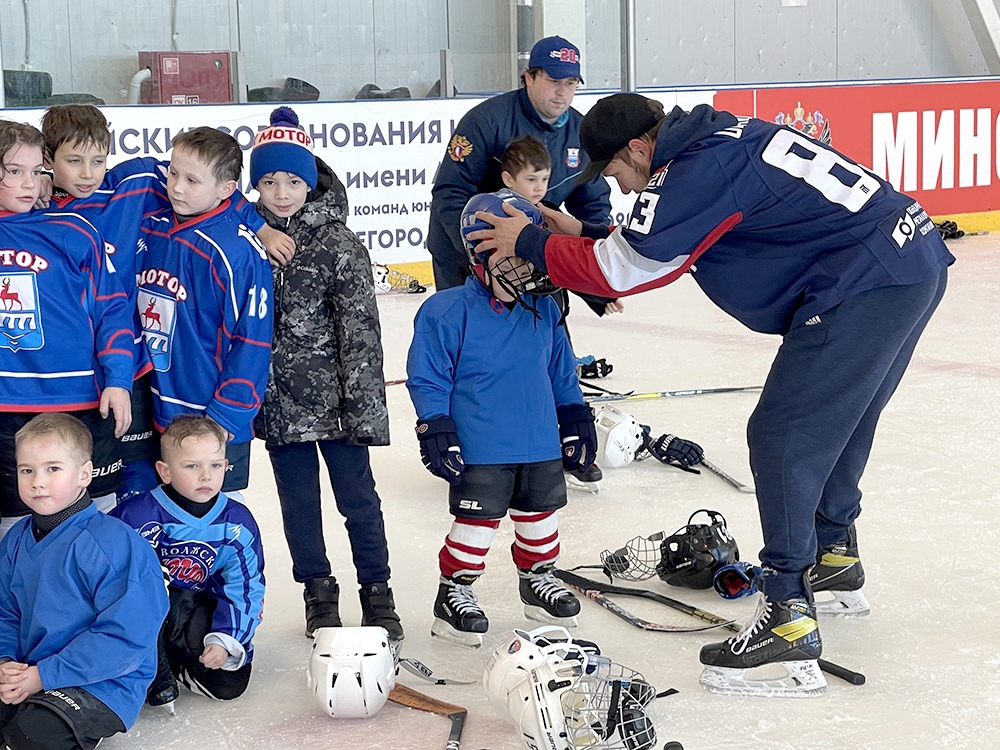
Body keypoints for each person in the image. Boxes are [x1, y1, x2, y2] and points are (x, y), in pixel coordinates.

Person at [471, 93, 953, 696]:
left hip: (863, 282)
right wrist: (583, 232)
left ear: (640, 148)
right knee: (841, 420)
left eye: (615, 172)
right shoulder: (716, 141)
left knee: (784, 433)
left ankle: (787, 611)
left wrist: (532, 244)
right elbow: (667, 236)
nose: (617, 187)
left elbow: (629, 270)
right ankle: (832, 554)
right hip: (907, 262)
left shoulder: (694, 170)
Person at [39, 104, 292, 507]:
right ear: (49, 162)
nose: (88, 173)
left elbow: (217, 179)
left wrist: (259, 223)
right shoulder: (43, 210)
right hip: (133, 388)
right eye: (74, 161)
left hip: (168, 390)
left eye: (97, 160)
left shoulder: (135, 186)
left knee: (200, 509)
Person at [406, 189, 597, 649]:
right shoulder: (445, 311)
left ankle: (537, 581)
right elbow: (428, 377)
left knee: (541, 520)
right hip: (482, 445)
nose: (531, 266)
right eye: (517, 255)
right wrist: (435, 425)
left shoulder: (545, 309)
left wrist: (574, 416)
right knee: (476, 526)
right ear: (481, 256)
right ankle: (455, 591)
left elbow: (560, 370)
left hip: (539, 444)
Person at [248, 106, 404, 644]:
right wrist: (253, 225)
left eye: (293, 179)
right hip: (279, 405)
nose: (282, 192)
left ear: (310, 179)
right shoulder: (248, 236)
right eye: (268, 181)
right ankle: (318, 590)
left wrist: (365, 412)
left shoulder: (339, 245)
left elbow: (361, 335)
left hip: (338, 406)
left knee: (359, 501)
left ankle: (377, 590)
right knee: (298, 505)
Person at [0, 121, 134, 541]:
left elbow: (112, 310)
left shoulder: (75, 231)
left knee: (95, 516)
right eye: (13, 171)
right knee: (14, 520)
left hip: (81, 401)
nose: (28, 183)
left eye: (35, 171)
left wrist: (118, 380)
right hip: (6, 405)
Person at [0, 413, 167, 749]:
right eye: (26, 470)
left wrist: (42, 676)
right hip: (32, 671)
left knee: (29, 736)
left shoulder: (114, 544)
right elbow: (6, 612)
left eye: (53, 469)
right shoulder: (16, 540)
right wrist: (6, 664)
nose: (37, 482)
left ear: (84, 474)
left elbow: (127, 638)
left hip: (103, 682)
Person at [135, 126, 274, 500]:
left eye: (192, 180)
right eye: (173, 174)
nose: (177, 187)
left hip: (212, 418)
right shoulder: (153, 225)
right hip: (159, 409)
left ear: (227, 190)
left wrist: (227, 415)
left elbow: (253, 341)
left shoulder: (236, 252)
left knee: (216, 516)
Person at [427, 35, 611, 291]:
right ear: (529, 77)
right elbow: (451, 192)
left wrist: (595, 263)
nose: (562, 92)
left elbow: (592, 202)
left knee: (538, 327)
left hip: (529, 254)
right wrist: (481, 251)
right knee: (474, 329)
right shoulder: (485, 121)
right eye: (554, 81)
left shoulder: (581, 133)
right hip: (465, 256)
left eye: (571, 83)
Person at [111, 415, 264, 707]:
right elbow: (107, 579)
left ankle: (176, 661)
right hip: (142, 617)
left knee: (228, 684)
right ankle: (147, 662)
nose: (206, 476)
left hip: (192, 610)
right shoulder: (135, 516)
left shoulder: (237, 523)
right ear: (164, 472)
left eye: (216, 465)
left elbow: (246, 587)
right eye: (192, 466)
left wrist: (224, 639)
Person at [499, 134, 622, 488]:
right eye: (530, 180)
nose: (539, 188)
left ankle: (574, 446)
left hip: (551, 313)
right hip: (513, 319)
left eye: (544, 180)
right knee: (521, 382)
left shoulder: (549, 215)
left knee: (562, 373)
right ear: (508, 180)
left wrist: (597, 296)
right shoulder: (494, 214)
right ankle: (518, 454)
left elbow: (567, 261)